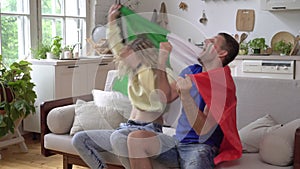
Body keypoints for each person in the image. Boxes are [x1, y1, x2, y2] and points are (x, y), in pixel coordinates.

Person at [71, 4, 177, 169]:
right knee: (80, 139)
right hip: (127, 127)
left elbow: (165, 97)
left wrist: (160, 61)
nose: (123, 56)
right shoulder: (133, 72)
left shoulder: (161, 73)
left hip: (149, 131)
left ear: (143, 54)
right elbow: (116, 47)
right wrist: (111, 20)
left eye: (129, 54)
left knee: (118, 138)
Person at [126, 33, 243, 169]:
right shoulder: (192, 71)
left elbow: (202, 130)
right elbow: (165, 97)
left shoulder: (221, 86)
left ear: (222, 53)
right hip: (177, 142)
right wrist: (162, 61)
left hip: (200, 147)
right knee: (136, 139)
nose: (206, 40)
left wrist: (186, 95)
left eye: (213, 41)